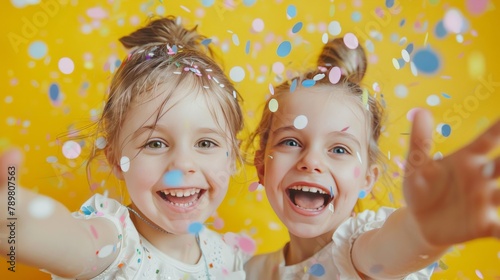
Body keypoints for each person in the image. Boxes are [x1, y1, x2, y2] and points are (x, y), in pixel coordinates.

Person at [0, 16, 250, 279]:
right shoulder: (117, 247)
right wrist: (15, 216)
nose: (183, 165)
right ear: (117, 159)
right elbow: (74, 242)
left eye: (205, 143)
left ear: (232, 156)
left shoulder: (227, 256)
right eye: (155, 143)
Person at [244, 38, 500, 279]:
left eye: (339, 149)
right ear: (262, 168)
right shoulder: (249, 269)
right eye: (291, 142)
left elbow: (389, 250)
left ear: (367, 179)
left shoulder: (357, 252)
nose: (311, 161)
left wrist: (419, 232)